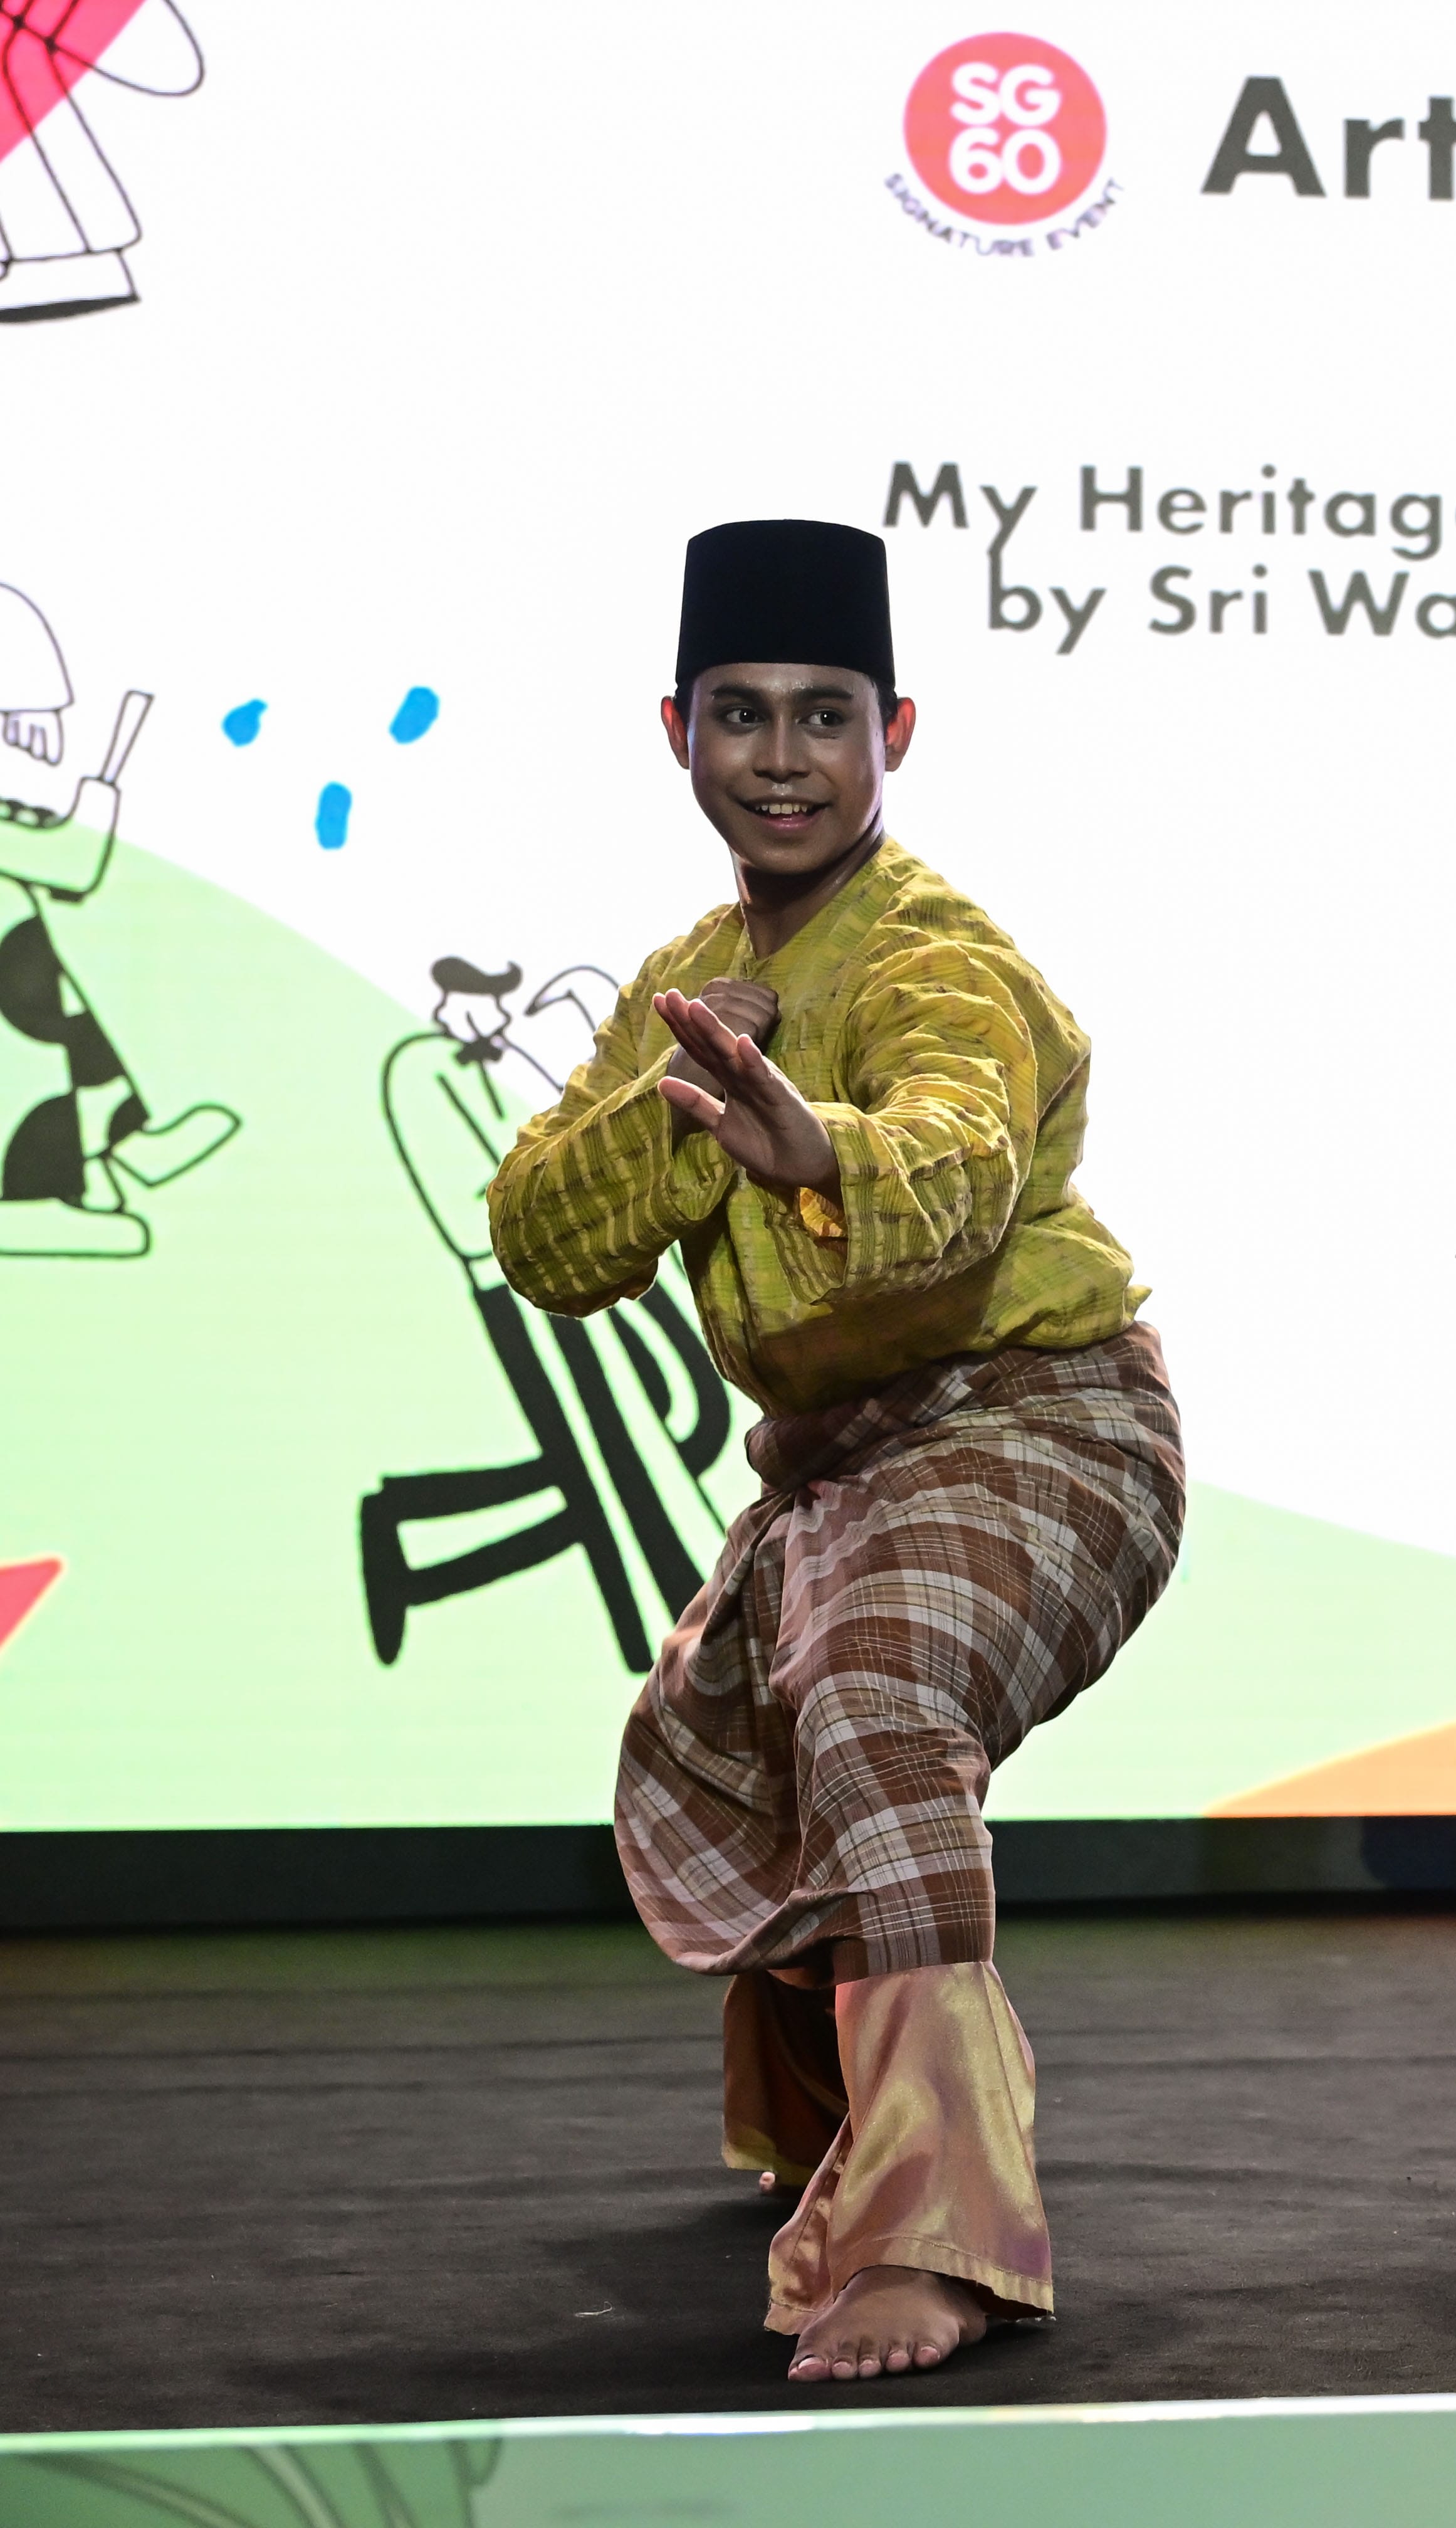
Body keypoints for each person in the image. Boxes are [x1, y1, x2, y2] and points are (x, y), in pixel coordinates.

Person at [488, 519, 1184, 2379]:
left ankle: (939, 2234)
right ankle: (820, 2131)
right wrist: (684, 1107)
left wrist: (823, 1155)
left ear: (896, 734)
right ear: (678, 732)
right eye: (742, 715)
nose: (782, 756)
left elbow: (960, 1140)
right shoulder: (691, 980)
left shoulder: (949, 956)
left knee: (873, 1697)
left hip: (1052, 1423)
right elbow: (545, 1236)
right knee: (728, 1736)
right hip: (843, 1466)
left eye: (823, 717)